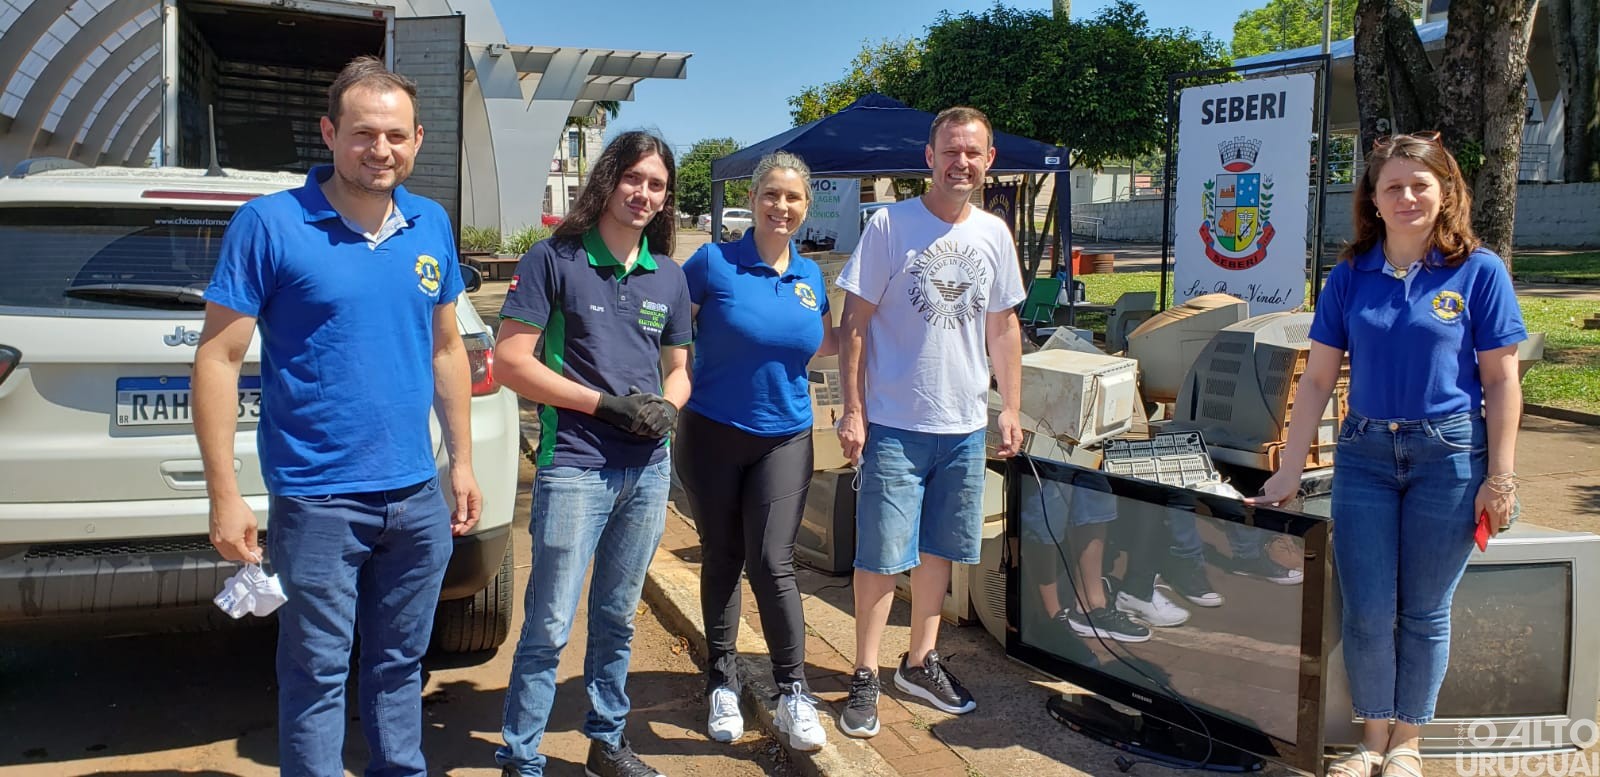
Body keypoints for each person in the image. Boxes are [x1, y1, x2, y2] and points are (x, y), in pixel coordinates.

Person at [194, 56, 481, 777]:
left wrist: (463, 462)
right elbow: (218, 360)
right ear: (329, 132)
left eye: (394, 135)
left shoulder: (430, 223)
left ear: (417, 140)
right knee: (317, 671)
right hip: (319, 499)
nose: (378, 150)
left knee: (400, 664)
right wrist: (225, 495)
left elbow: (447, 348)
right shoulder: (271, 224)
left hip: (416, 495)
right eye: (361, 133)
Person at [1249, 132, 1525, 777]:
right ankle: (1371, 739)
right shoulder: (1350, 275)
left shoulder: (1478, 271)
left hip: (1450, 458)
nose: (1407, 197)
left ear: (1446, 192)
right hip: (1365, 455)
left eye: (1420, 184)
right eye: (1392, 186)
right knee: (1368, 607)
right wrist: (1290, 467)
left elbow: (1502, 379)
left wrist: (1502, 478)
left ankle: (1407, 744)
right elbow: (1316, 379)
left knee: (1424, 611)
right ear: (1372, 198)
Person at [493, 130, 691, 777]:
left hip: (647, 470)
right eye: (634, 178)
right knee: (549, 624)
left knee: (616, 616)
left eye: (657, 185)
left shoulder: (669, 275)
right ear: (609, 180)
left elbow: (679, 367)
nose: (644, 193)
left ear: (666, 199)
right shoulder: (555, 259)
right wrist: (603, 405)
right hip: (576, 463)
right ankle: (521, 758)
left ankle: (607, 742)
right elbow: (511, 362)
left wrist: (671, 405)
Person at [834, 106, 1026, 738]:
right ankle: (864, 672)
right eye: (950, 150)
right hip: (893, 422)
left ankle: (919, 661)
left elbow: (1003, 328)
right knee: (881, 556)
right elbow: (855, 323)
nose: (961, 161)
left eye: (973, 151)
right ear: (930, 157)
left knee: (941, 551)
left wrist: (1011, 409)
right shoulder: (891, 225)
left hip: (966, 425)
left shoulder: (995, 234)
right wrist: (854, 411)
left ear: (988, 159)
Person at [674, 151, 837, 751]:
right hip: (712, 431)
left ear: (805, 205)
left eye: (793, 198)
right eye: (772, 194)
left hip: (786, 435)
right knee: (722, 555)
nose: (782, 207)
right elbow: (670, 333)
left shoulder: (811, 277)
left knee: (772, 561)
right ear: (753, 197)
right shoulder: (713, 263)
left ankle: (793, 691)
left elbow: (825, 345)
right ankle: (723, 678)